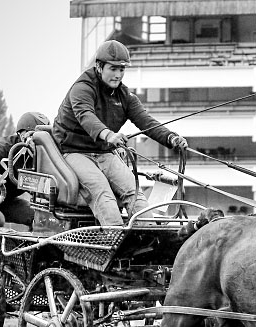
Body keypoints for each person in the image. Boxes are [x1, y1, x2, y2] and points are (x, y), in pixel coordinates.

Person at [53, 39, 189, 226]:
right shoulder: (82, 88)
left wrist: (170, 137)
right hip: (74, 152)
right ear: (99, 67)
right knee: (103, 193)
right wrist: (108, 135)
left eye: (122, 69)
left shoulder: (125, 96)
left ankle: (149, 237)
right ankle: (115, 240)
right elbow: (86, 115)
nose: (118, 75)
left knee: (133, 191)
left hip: (104, 152)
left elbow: (146, 121)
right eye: (113, 69)